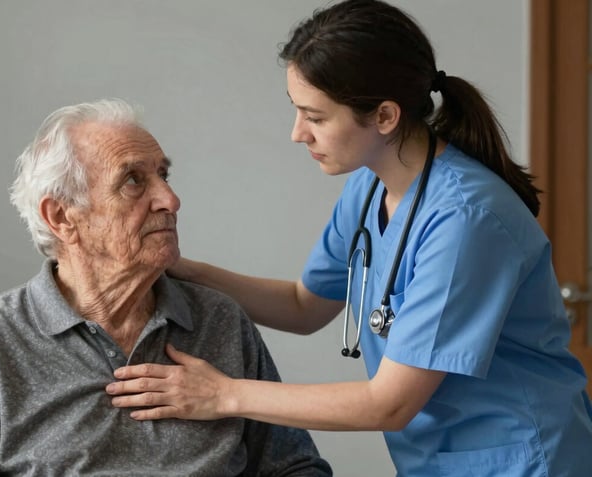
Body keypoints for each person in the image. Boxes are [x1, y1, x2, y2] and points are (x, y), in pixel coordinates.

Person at [104, 1, 592, 475]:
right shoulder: (370, 185)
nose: (298, 134)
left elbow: (390, 403)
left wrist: (222, 395)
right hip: (440, 459)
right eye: (297, 111)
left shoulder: (466, 220)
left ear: (384, 116)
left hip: (524, 461)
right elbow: (304, 305)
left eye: (315, 117)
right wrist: (184, 270)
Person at [0, 99, 332, 476]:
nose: (170, 199)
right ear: (62, 217)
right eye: (133, 181)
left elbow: (295, 467)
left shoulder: (219, 321)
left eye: (164, 175)